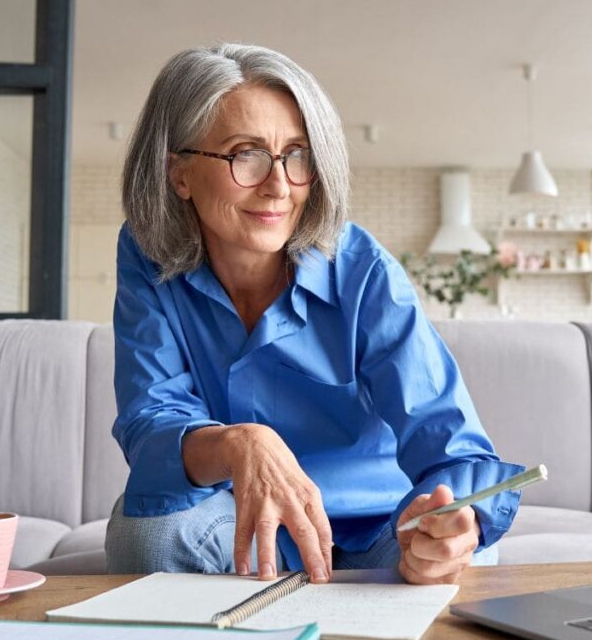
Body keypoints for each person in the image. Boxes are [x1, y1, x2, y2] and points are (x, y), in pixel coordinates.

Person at [105, 43, 524, 585]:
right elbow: (150, 419)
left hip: (378, 531)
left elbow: (449, 443)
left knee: (462, 561)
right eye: (246, 154)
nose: (280, 186)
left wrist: (452, 524)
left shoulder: (362, 268)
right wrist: (238, 443)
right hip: (237, 527)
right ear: (179, 173)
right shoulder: (146, 255)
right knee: (147, 535)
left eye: (297, 155)